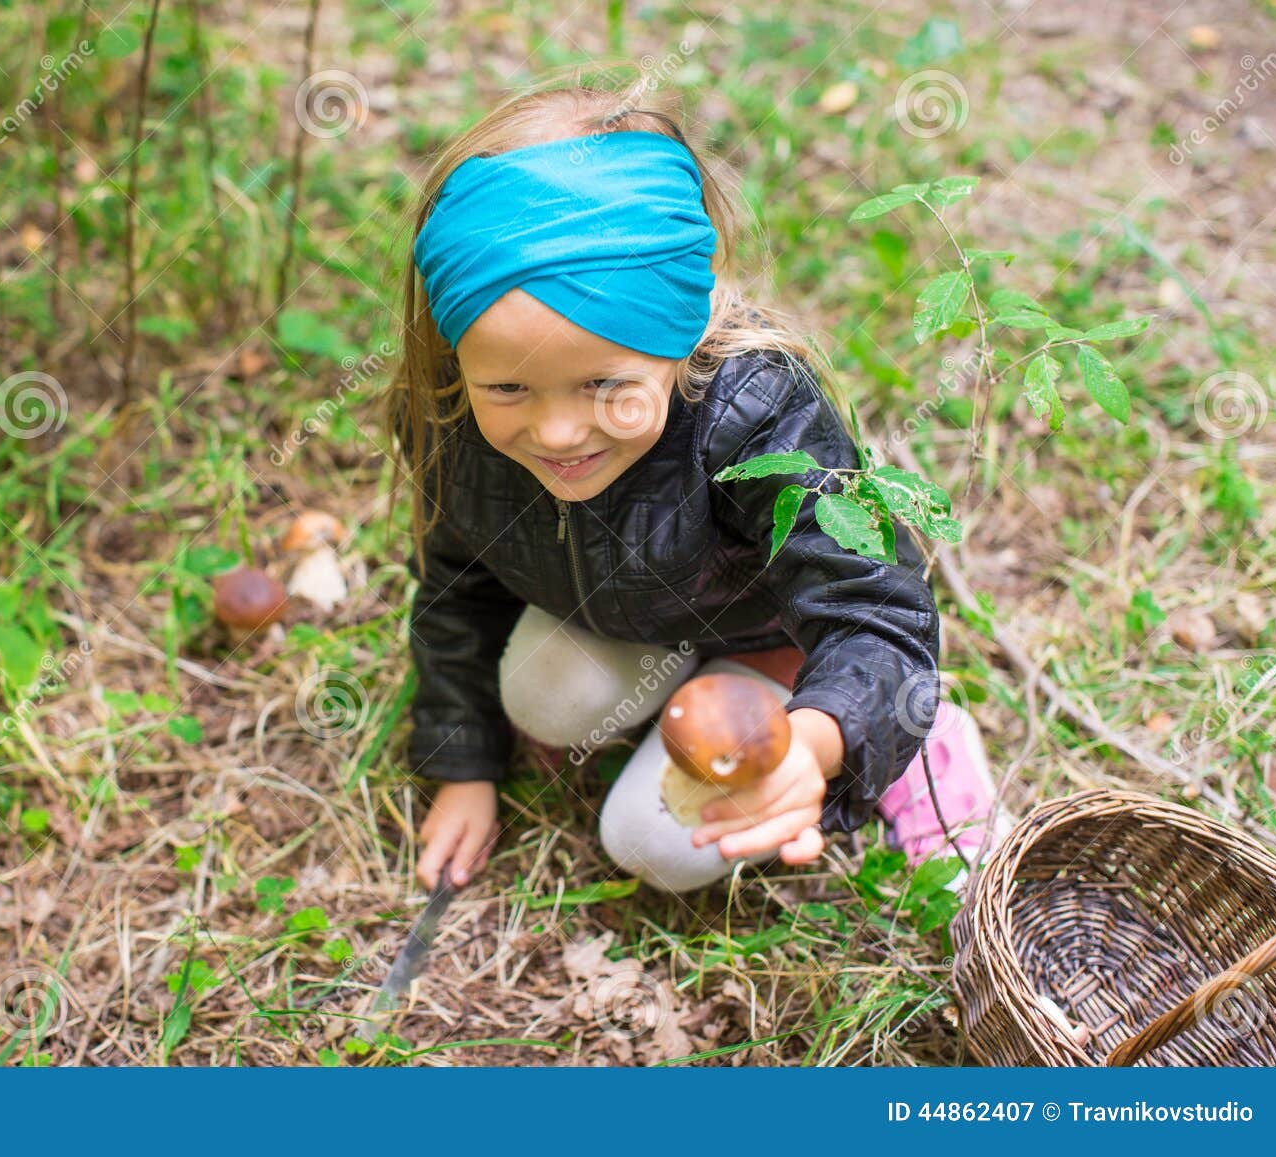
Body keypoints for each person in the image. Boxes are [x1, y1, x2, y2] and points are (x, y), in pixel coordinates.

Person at [379, 73, 1011, 901]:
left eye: (607, 384)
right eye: (510, 390)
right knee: (541, 692)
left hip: (776, 641)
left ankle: (922, 746)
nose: (559, 431)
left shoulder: (757, 412)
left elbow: (873, 610)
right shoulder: (453, 421)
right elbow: (458, 592)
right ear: (460, 355)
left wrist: (819, 739)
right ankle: (675, 692)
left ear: (688, 325)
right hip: (641, 617)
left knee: (653, 841)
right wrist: (462, 762)